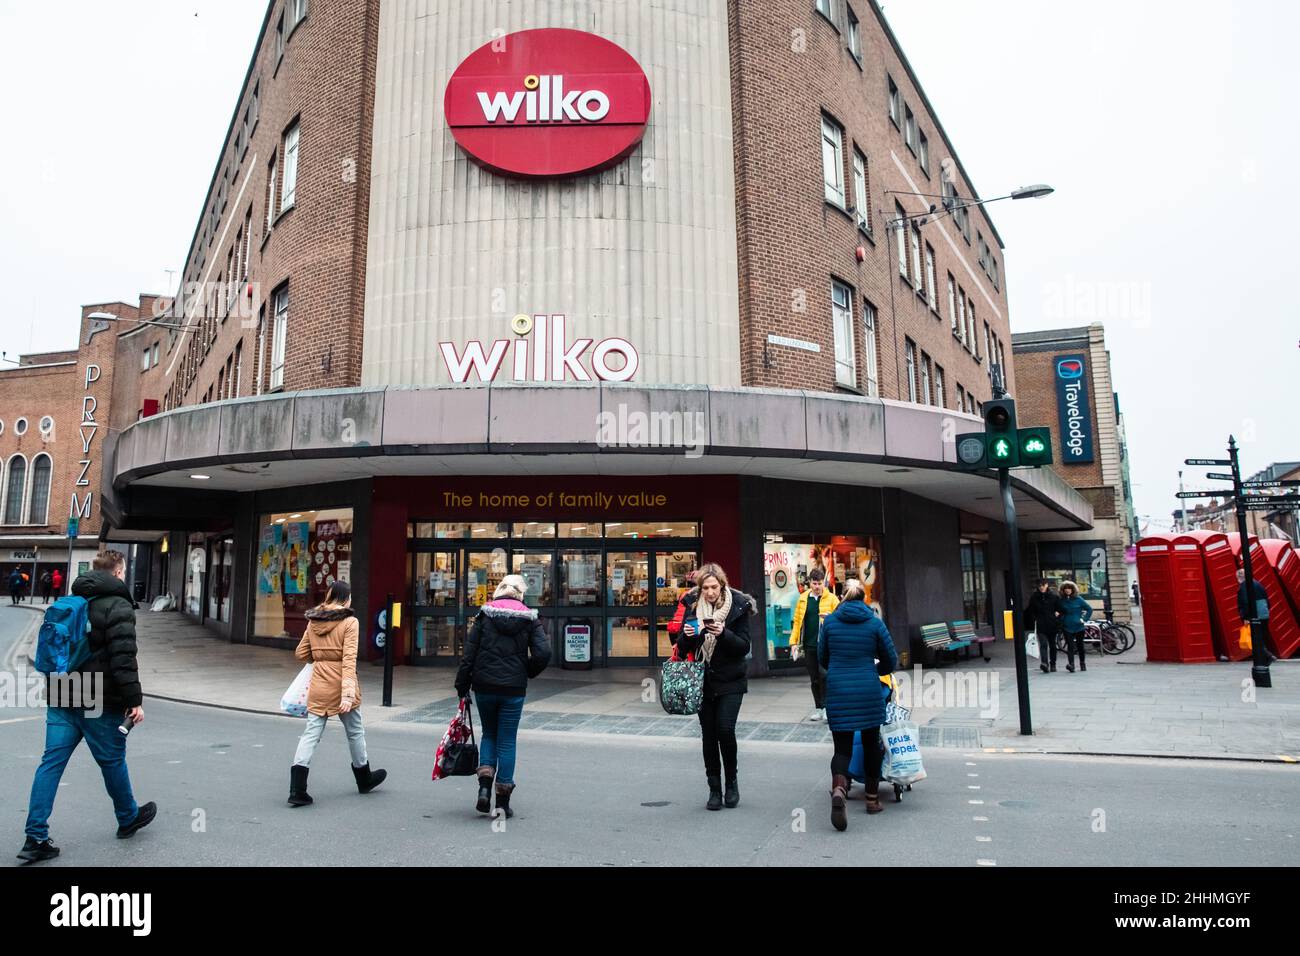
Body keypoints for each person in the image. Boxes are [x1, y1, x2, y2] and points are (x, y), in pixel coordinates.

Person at [18, 550, 155, 864]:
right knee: (112, 760)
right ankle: (127, 817)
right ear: (119, 573)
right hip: (98, 698)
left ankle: (35, 835)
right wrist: (134, 701)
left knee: (50, 764)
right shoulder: (118, 605)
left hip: (61, 692)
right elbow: (123, 659)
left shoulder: (72, 601)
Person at [455, 574, 551, 819]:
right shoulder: (530, 618)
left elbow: (470, 653)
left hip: (484, 687)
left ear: (499, 590)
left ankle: (484, 789)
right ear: (520, 593)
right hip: (513, 689)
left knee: (489, 734)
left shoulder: (485, 615)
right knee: (507, 740)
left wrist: (462, 683)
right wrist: (526, 671)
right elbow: (543, 653)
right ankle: (502, 803)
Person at [287, 581, 386, 807]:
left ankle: (297, 789)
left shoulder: (314, 621)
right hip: (342, 682)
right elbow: (349, 660)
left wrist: (321, 659)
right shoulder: (350, 622)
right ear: (346, 599)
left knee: (311, 733)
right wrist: (348, 695)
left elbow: (301, 652)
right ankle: (364, 778)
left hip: (320, 683)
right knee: (355, 731)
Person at [674, 563, 755, 811]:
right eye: (705, 587)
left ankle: (732, 783)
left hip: (731, 680)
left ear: (722, 586)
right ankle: (714, 789)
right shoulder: (693, 606)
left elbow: (744, 646)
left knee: (725, 730)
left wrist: (723, 634)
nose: (710, 592)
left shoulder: (738, 607)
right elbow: (682, 647)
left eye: (714, 587)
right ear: (700, 588)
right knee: (708, 736)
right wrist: (687, 635)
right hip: (703, 681)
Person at [819, 578, 898, 830]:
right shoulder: (875, 623)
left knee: (842, 749)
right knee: (870, 744)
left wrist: (839, 669)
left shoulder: (830, 622)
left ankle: (839, 789)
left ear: (841, 597)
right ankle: (872, 800)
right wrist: (875, 671)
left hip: (839, 691)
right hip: (867, 690)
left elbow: (822, 658)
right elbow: (891, 660)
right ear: (864, 598)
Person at [790, 567, 839, 721]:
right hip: (809, 644)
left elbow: (840, 618)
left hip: (825, 645)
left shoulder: (832, 598)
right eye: (814, 583)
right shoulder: (803, 598)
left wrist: (830, 617)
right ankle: (819, 708)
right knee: (814, 678)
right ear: (809, 583)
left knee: (824, 675)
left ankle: (827, 707)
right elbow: (797, 622)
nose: (817, 587)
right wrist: (793, 643)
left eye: (819, 583)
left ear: (823, 582)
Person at [1236, 568, 1278, 663]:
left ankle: (1268, 656)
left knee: (1255, 638)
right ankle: (1264, 658)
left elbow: (1245, 602)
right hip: (1263, 613)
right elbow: (1267, 600)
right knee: (1260, 636)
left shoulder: (1244, 586)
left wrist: (1245, 617)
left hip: (1254, 614)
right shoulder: (1258, 583)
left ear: (1239, 577)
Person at [1023, 578, 1062, 673]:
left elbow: (1060, 609)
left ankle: (1053, 664)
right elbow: (1030, 611)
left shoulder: (1054, 597)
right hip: (1041, 625)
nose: (1041, 587)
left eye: (1043, 585)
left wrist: (1058, 614)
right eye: (1039, 585)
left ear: (1047, 585)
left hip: (1052, 624)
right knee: (1043, 644)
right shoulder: (1034, 597)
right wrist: (1034, 619)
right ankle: (1044, 663)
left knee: (1052, 645)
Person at [1056, 580, 1092, 673]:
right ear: (1063, 590)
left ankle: (1082, 664)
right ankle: (1071, 665)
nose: (1067, 590)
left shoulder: (1079, 599)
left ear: (1073, 589)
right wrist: (1059, 617)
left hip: (1079, 626)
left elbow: (1089, 609)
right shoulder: (1061, 600)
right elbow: (1057, 611)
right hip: (1067, 627)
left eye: (1069, 588)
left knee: (1080, 646)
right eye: (1065, 588)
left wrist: (1084, 619)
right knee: (1070, 646)